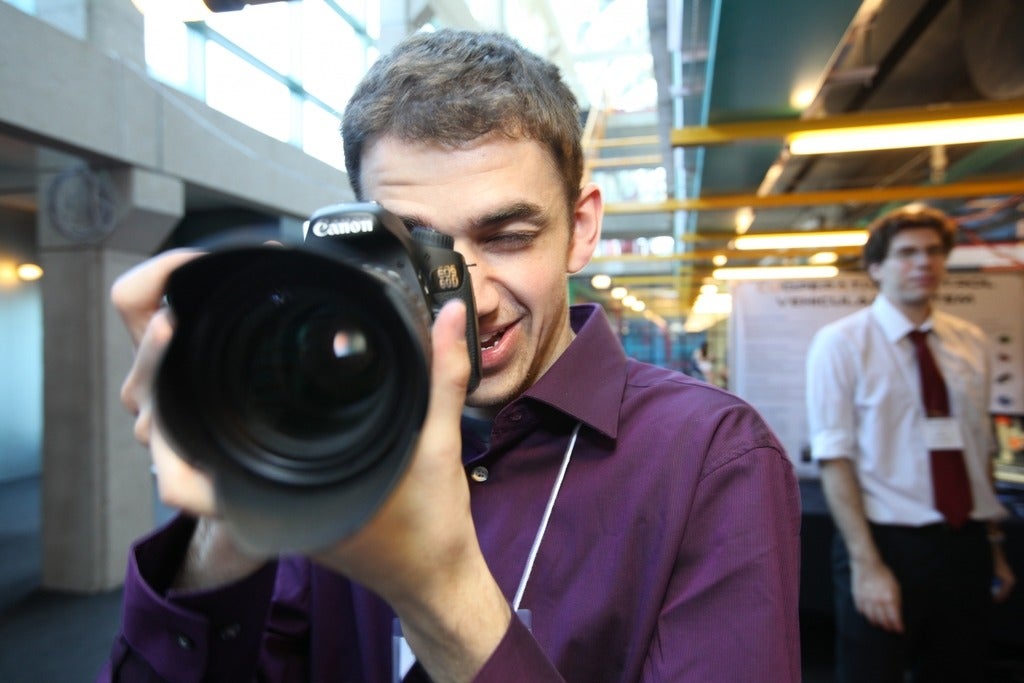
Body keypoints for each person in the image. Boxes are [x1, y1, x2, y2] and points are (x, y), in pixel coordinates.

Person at [100, 29, 801, 682]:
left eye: (507, 235)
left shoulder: (712, 456)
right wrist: (228, 520)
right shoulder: (326, 429)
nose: (467, 301)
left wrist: (441, 594)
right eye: (419, 248)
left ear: (580, 229)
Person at [805, 204, 1016, 683]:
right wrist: (867, 564)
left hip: (964, 543)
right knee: (871, 672)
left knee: (961, 670)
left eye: (934, 252)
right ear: (876, 268)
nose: (924, 263)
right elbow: (835, 459)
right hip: (886, 541)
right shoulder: (841, 343)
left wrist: (994, 545)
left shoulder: (970, 342)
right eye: (907, 253)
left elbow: (977, 448)